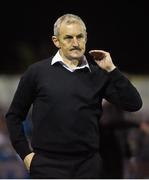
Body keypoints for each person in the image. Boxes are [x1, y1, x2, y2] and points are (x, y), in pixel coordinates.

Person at [5, 13, 142, 179]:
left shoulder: (98, 74)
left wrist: (112, 69)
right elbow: (14, 116)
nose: (75, 43)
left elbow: (134, 103)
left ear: (86, 38)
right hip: (47, 167)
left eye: (80, 37)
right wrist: (26, 155)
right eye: (68, 38)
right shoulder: (37, 72)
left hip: (88, 168)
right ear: (56, 41)